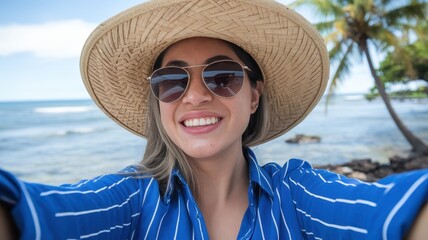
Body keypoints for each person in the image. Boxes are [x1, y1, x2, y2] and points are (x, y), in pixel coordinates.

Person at [0, 0, 427, 239]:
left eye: (222, 76)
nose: (197, 95)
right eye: (172, 81)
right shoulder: (130, 202)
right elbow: (35, 216)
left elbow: (389, 214)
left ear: (254, 95)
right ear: (159, 100)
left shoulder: (296, 193)